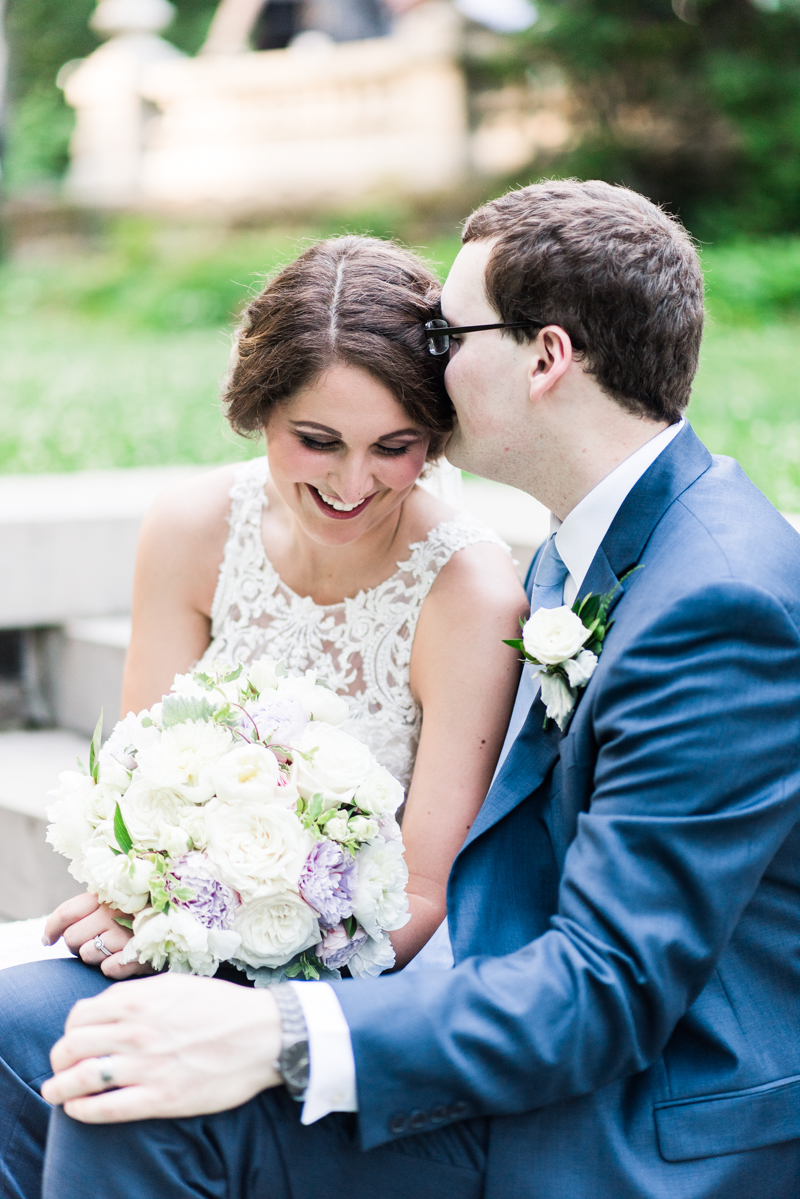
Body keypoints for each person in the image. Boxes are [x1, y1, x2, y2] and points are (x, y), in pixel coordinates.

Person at [3, 180, 800, 1199]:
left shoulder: (713, 599)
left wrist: (278, 1029)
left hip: (631, 1116)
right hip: (508, 1019)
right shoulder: (590, 546)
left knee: (135, 1104)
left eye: (451, 331)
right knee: (27, 1029)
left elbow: (607, 988)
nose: (432, 358)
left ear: (544, 357)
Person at [10, 235, 525, 982]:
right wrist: (147, 907)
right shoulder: (192, 528)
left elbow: (420, 891)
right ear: (259, 410)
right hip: (177, 936)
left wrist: (233, 969)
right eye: (318, 440)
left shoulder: (470, 595)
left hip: (358, 977)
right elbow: (133, 787)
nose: (353, 483)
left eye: (394, 445)